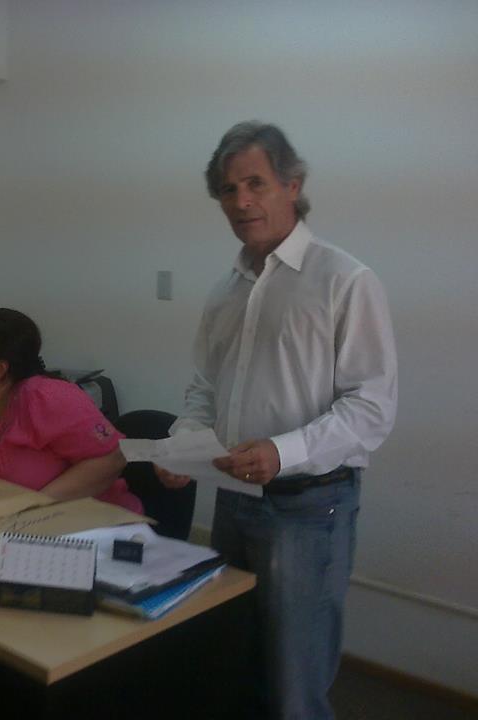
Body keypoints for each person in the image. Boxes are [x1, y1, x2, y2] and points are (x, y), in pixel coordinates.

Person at [154, 122, 397, 719]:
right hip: (232, 500)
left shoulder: (345, 281)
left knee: (294, 688)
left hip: (309, 509)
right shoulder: (225, 291)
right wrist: (185, 444)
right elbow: (204, 387)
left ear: (293, 185)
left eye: (255, 183)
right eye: (228, 189)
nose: (241, 201)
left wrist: (283, 452)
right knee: (237, 664)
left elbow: (371, 406)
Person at [0, 308, 140, 513]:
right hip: (12, 526)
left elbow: (113, 458)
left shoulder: (46, 398)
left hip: (95, 528)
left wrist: (34, 505)